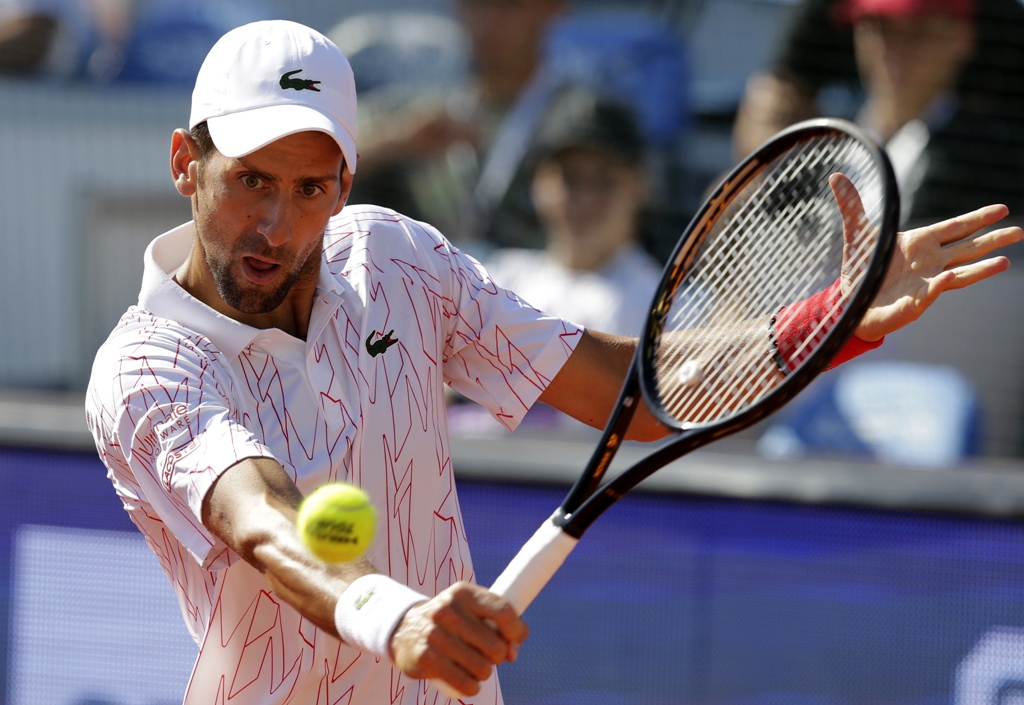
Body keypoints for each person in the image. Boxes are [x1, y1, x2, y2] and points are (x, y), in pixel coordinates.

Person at [83, 19, 1022, 705]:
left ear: (346, 185)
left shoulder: (392, 258)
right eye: (249, 180)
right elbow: (263, 521)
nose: (278, 225)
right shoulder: (145, 364)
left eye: (309, 187)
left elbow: (635, 392)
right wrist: (396, 617)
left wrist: (832, 315)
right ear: (183, 162)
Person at [732, 0, 1024, 224]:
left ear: (961, 38)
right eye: (880, 29)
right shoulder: (824, 154)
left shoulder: (990, 163)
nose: (894, 50)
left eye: (917, 31)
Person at [343, 0, 568, 245]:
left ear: (551, 8)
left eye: (509, 5)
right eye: (475, 4)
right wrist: (394, 143)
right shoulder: (423, 109)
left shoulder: (584, 117)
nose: (489, 21)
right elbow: (320, 166)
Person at [484, 85, 662, 338]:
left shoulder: (667, 307)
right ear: (537, 183)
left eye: (604, 181)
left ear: (639, 186)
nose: (585, 199)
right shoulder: (497, 281)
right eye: (570, 179)